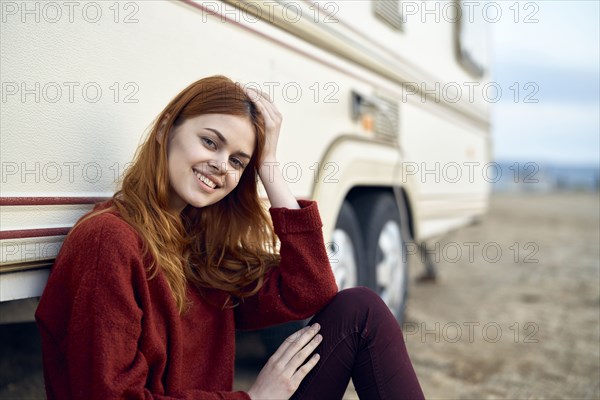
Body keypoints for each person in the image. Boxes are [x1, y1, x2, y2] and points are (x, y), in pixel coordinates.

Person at [35, 75, 425, 399]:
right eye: (210, 142)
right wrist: (254, 398)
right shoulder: (108, 240)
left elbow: (311, 289)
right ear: (165, 129)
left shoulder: (197, 245)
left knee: (360, 310)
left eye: (239, 161)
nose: (221, 165)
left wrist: (268, 165)